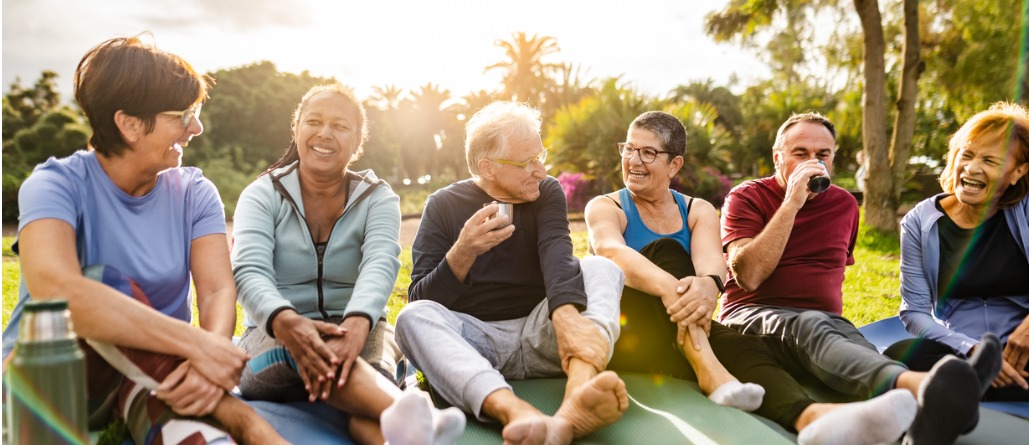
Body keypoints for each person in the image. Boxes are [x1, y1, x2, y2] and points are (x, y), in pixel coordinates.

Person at [0, 35, 285, 444]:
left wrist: (208, 360)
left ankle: (234, 428)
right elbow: (56, 291)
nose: (197, 127)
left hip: (152, 379)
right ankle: (249, 423)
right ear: (129, 124)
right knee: (98, 280)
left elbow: (218, 288)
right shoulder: (53, 185)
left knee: (199, 437)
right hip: (54, 375)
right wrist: (196, 345)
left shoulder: (194, 193)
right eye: (184, 115)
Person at [586, 111, 917, 445]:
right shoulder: (605, 206)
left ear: (674, 165)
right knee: (666, 251)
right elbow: (611, 251)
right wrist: (680, 291)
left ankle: (812, 418)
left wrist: (707, 284)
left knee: (744, 346)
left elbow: (714, 268)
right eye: (628, 149)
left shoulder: (697, 210)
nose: (633, 160)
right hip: (627, 337)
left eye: (648, 153)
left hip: (678, 338)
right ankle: (707, 366)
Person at [719, 111, 1003, 445]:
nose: (814, 161)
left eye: (822, 155)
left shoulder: (844, 204)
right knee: (813, 327)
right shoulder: (746, 196)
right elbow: (748, 276)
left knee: (859, 348)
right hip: (753, 317)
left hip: (827, 324)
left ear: (833, 158)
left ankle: (924, 425)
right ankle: (925, 388)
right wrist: (792, 202)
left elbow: (831, 272)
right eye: (801, 153)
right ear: (777, 156)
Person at [231, 84, 465, 445]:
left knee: (370, 389)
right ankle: (427, 422)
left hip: (360, 325)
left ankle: (414, 434)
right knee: (332, 368)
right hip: (275, 334)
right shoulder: (262, 194)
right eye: (314, 121)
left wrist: (358, 323)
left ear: (358, 142)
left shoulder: (378, 198)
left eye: (340, 126)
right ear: (297, 129)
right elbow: (249, 270)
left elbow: (381, 262)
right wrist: (287, 321)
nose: (325, 133)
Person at [394, 101, 629, 445]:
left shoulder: (546, 191)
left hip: (543, 334)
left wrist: (564, 318)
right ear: (488, 167)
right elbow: (422, 298)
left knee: (601, 267)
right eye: (527, 162)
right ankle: (514, 412)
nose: (541, 169)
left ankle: (577, 397)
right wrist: (463, 252)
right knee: (412, 317)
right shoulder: (443, 204)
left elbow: (556, 252)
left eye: (540, 156)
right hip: (476, 344)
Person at [888, 102, 1029, 403]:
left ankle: (966, 393)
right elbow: (915, 312)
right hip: (963, 350)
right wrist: (972, 349)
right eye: (968, 154)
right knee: (901, 357)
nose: (973, 168)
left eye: (990, 160)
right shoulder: (918, 222)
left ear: (1017, 172)